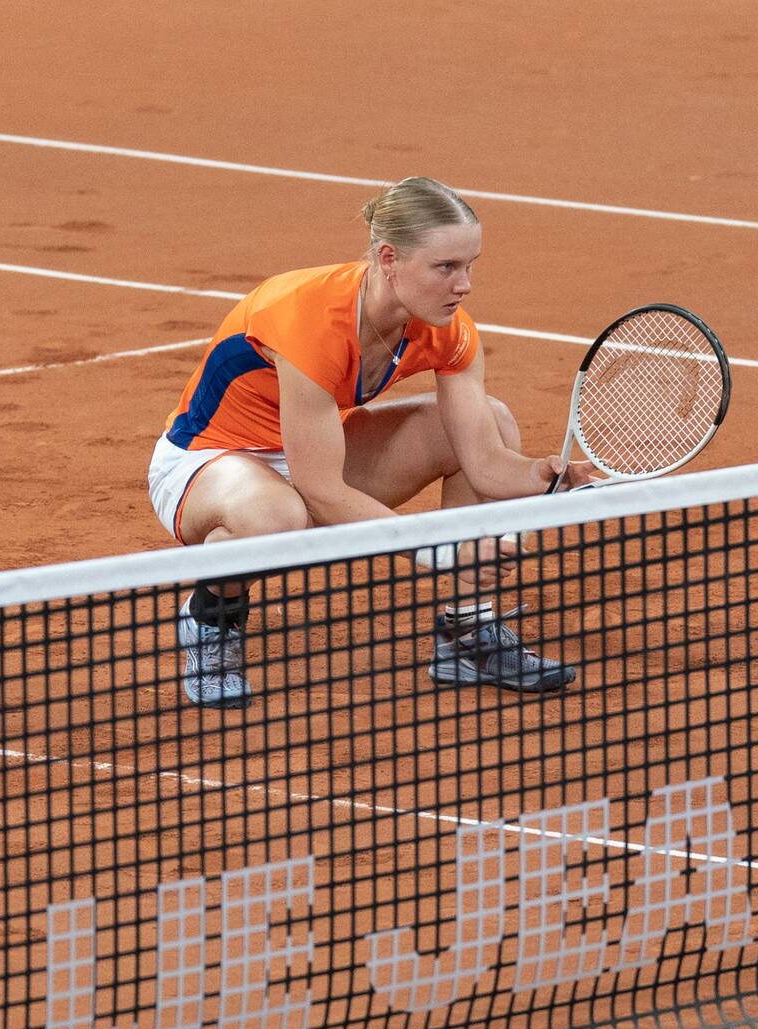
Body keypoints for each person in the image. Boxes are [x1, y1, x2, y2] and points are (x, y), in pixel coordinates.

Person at [146, 176, 597, 708]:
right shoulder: (310, 317)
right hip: (210, 461)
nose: (464, 284)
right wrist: (444, 550)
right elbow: (321, 490)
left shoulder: (445, 329)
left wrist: (542, 477)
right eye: (445, 267)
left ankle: (467, 634)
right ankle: (212, 621)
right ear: (389, 259)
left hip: (315, 446)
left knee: (493, 420)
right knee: (276, 517)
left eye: (470, 265)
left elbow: (485, 463)